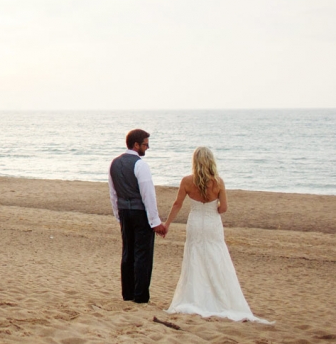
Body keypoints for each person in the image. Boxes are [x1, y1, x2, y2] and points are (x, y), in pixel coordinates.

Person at [161, 147, 268, 322]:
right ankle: (220, 297)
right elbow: (223, 208)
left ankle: (195, 297)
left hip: (195, 223)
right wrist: (213, 207)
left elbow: (177, 204)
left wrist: (167, 224)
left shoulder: (187, 181)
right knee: (216, 256)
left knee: (195, 256)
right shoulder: (218, 182)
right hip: (212, 224)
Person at [108, 129, 167, 303]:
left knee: (128, 252)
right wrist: (155, 221)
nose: (147, 147)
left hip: (124, 211)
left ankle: (128, 293)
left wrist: (118, 215)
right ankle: (140, 295)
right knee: (143, 254)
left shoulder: (114, 163)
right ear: (136, 145)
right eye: (145, 144)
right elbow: (148, 194)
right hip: (140, 213)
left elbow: (113, 193)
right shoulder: (140, 165)